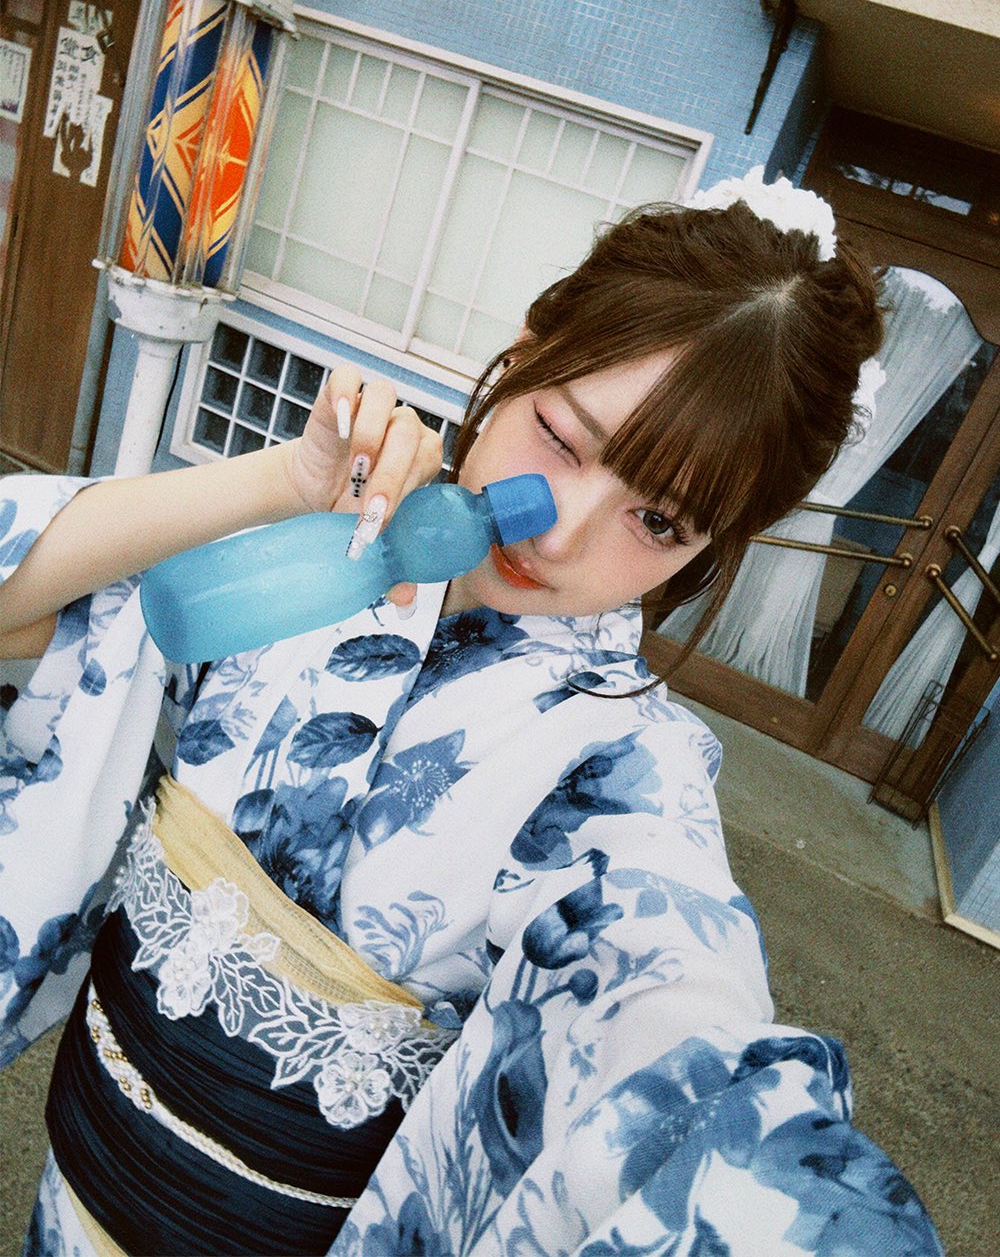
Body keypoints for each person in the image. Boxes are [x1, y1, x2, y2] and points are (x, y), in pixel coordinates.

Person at [0, 168, 943, 1256]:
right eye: (562, 437)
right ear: (530, 346)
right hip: (63, 1199)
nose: (559, 531)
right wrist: (285, 484)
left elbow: (676, 1017)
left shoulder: (626, 768)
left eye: (658, 520)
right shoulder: (323, 553)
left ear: (710, 549)